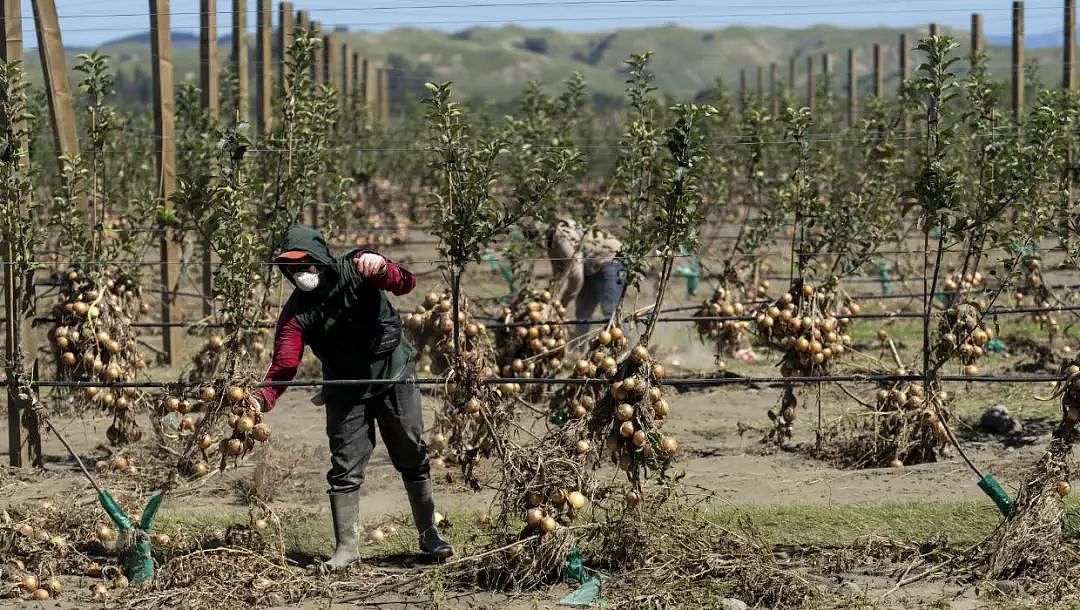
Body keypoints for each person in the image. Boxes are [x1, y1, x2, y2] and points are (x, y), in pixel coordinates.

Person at [244, 224, 453, 572]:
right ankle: (346, 547)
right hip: (344, 389)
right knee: (345, 466)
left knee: (410, 451)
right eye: (292, 269)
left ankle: (429, 533)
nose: (301, 274)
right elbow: (284, 364)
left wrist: (383, 268)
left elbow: (405, 283)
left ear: (320, 259)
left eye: (305, 264)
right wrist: (261, 399)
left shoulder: (357, 266)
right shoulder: (296, 314)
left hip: (393, 375)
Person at [545, 216, 624, 335]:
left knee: (610, 310)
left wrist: (561, 304)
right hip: (591, 267)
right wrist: (551, 297)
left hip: (611, 261)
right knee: (582, 311)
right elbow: (558, 272)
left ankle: (625, 346)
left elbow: (576, 277)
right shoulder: (551, 241)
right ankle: (577, 348)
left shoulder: (561, 237)